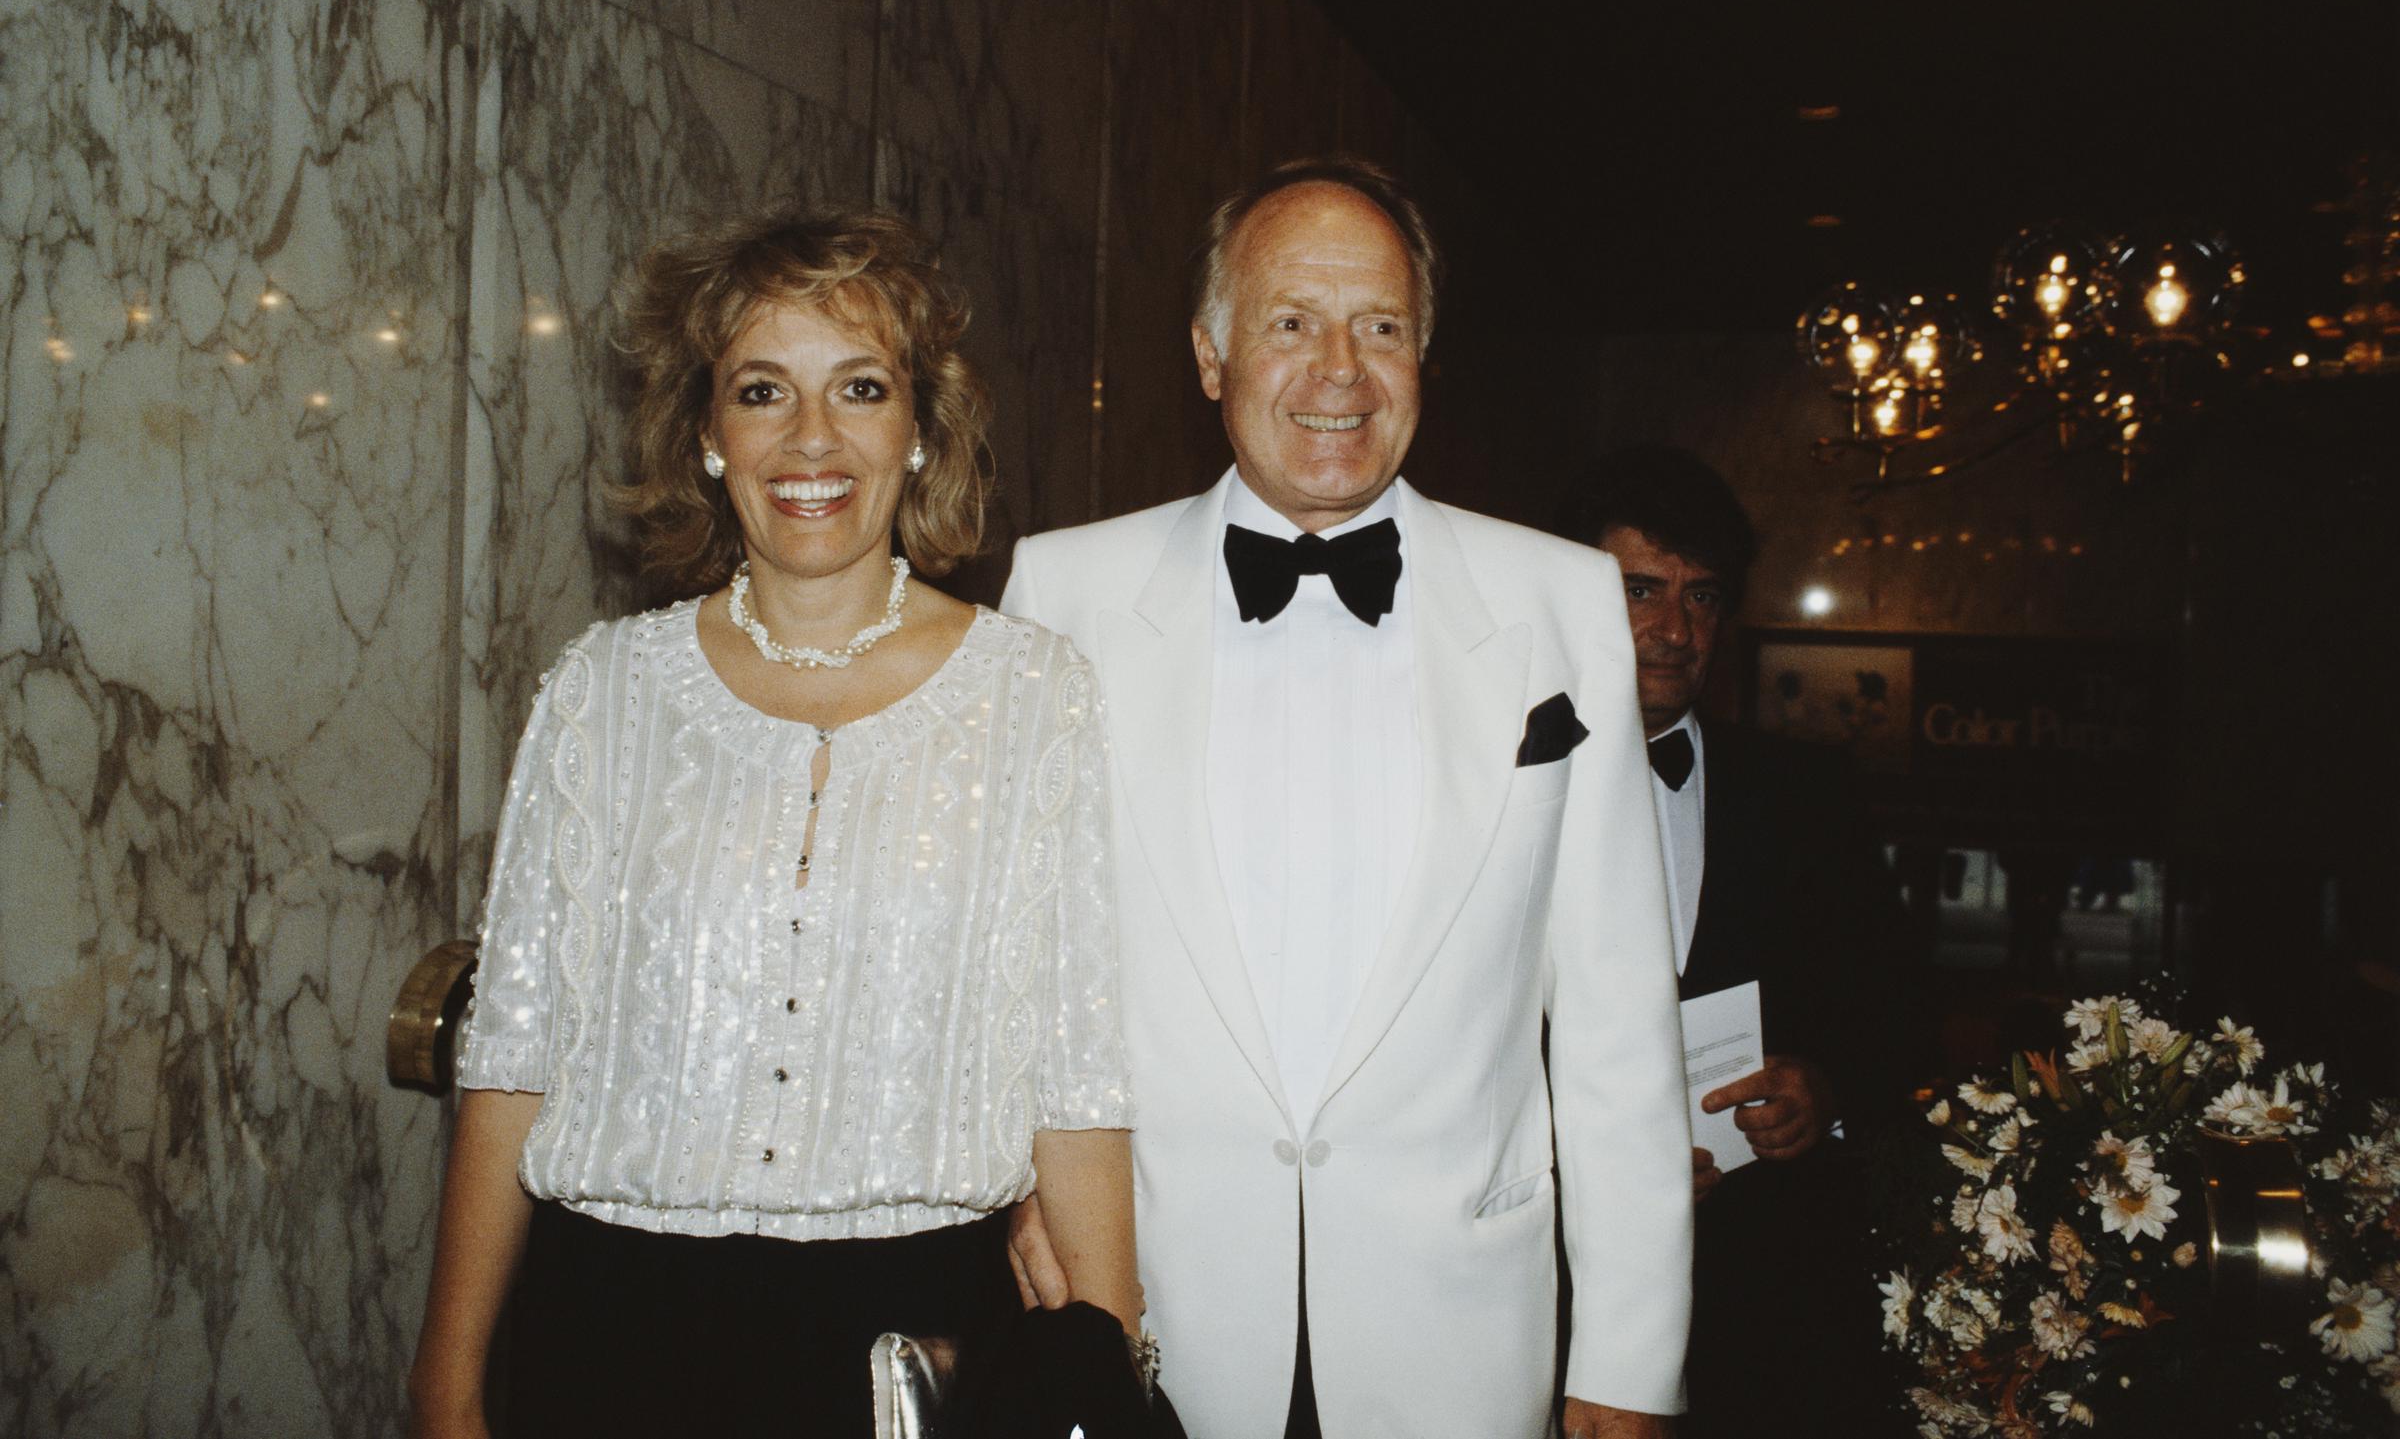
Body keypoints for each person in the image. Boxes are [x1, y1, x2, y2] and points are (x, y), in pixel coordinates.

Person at [407, 207, 1140, 1438]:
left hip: (911, 1354)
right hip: (606, 1342)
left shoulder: (1035, 696)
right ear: (706, 433)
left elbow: (1075, 1079)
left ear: (919, 429)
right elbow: (512, 1061)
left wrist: (1105, 1380)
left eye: (860, 387)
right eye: (763, 391)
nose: (813, 439)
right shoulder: (603, 692)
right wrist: (444, 1389)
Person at [1000, 159, 1690, 1438]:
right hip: (1148, 1314)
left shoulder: (1560, 602)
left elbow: (1614, 1022)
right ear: (1209, 355)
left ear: (1424, 352)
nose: (1340, 370)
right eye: (1291, 322)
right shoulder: (1064, 594)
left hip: (1462, 1337)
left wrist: (1629, 1358)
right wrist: (1016, 1193)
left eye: (1381, 326)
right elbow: (1017, 963)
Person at [1564, 444, 1909, 1438]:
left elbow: (1898, 1012)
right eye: (1641, 590)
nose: (1675, 629)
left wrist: (1827, 1091)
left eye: (1703, 597)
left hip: (1766, 1308)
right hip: (1551, 1294)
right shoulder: (1494, 786)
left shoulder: (1807, 796)